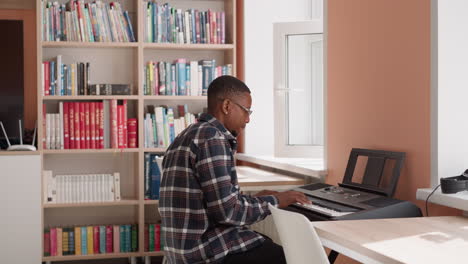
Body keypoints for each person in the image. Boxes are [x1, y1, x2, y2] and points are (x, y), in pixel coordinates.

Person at [159, 75, 310, 264]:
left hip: (180, 251)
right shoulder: (212, 138)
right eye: (246, 111)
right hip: (204, 250)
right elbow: (227, 213)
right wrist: (277, 200)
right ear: (227, 106)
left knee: (266, 244)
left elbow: (216, 202)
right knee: (293, 256)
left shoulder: (187, 134)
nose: (248, 119)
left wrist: (258, 199)